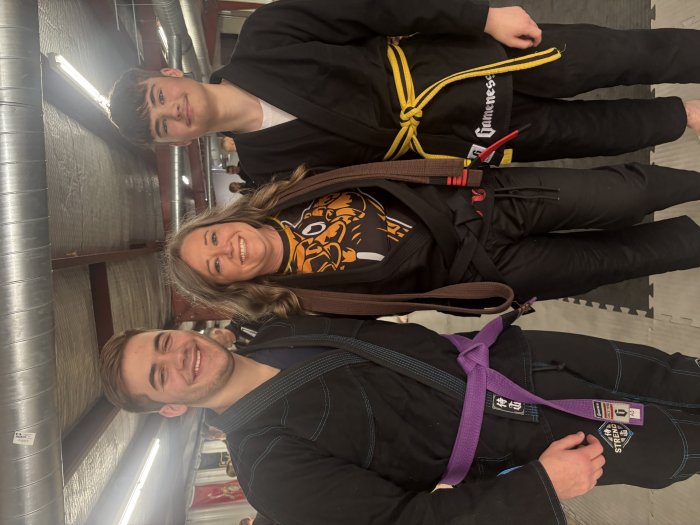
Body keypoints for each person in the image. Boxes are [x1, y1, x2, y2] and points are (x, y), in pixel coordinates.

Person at [99, 312, 700, 524]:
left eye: (163, 343)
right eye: (160, 376)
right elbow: (402, 522)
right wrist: (538, 487)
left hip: (515, 358)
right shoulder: (270, 471)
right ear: (172, 407)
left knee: (674, 373)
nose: (177, 357)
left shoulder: (279, 331)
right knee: (679, 445)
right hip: (526, 440)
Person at [107, 0, 700, 184]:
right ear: (177, 142)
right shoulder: (267, 173)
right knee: (606, 132)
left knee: (626, 54)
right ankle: (691, 115)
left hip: (471, 62)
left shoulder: (266, 35)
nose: (172, 111)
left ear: (173, 75)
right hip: (471, 141)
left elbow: (372, 6)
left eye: (159, 97)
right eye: (163, 125)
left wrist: (480, 15)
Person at [164, 159, 700, 320]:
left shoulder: (292, 188)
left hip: (488, 200)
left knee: (625, 191)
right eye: (216, 265)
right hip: (489, 270)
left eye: (213, 239)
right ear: (229, 285)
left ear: (222, 221)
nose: (225, 249)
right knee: (618, 259)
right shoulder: (300, 303)